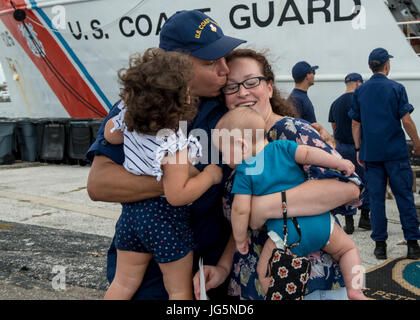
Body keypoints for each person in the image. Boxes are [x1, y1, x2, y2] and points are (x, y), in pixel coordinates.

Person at [87, 10, 358, 300]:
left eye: (223, 59)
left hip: (216, 269)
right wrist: (185, 182)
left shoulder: (228, 107)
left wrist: (305, 132)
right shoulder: (145, 107)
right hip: (152, 264)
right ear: (175, 65)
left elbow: (273, 135)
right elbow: (99, 183)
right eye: (209, 62)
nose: (224, 70)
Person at [193, 49, 361, 300]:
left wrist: (266, 206)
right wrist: (223, 268)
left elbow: (349, 186)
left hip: (306, 282)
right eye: (231, 87)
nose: (242, 92)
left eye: (251, 82)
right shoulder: (237, 149)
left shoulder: (290, 130)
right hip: (251, 285)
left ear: (270, 87)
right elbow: (242, 229)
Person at [102, 48, 225, 299]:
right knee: (179, 290)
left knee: (123, 284)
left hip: (131, 217)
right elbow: (177, 194)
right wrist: (210, 176)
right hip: (164, 221)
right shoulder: (175, 142)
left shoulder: (127, 119)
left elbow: (109, 135)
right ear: (183, 99)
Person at [214, 107, 367, 300]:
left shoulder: (245, 172)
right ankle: (356, 290)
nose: (225, 160)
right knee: (348, 249)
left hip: (285, 235)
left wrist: (239, 238)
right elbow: (309, 153)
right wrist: (338, 163)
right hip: (321, 223)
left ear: (241, 145)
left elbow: (240, 210)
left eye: (224, 153)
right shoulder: (282, 147)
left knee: (264, 271)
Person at [349, 47, 420, 260]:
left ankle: (380, 246)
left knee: (377, 200)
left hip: (371, 154)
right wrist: (417, 142)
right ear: (387, 65)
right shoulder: (396, 88)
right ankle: (413, 246)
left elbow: (355, 123)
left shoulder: (360, 91)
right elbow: (406, 120)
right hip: (395, 153)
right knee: (404, 197)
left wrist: (359, 148)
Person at [328, 73, 371, 234]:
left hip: (342, 148)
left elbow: (334, 127)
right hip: (359, 147)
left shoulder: (335, 103)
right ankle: (365, 217)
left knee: (347, 182)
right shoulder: (362, 101)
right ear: (358, 83)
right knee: (366, 182)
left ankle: (349, 221)